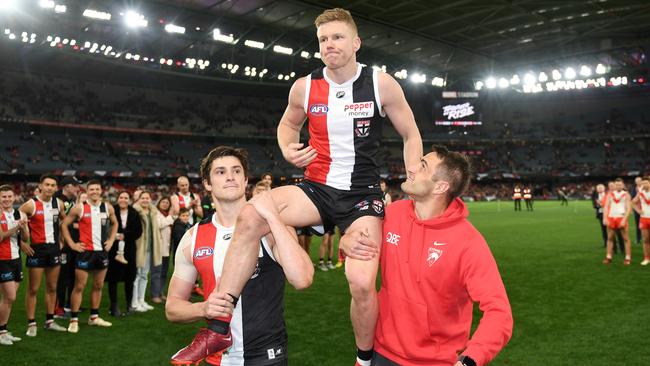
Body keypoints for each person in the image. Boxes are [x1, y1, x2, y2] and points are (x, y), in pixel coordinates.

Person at [177, 8, 423, 365]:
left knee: (361, 282)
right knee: (251, 214)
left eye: (337, 37)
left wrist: (413, 172)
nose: (329, 45)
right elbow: (287, 126)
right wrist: (288, 148)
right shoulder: (305, 87)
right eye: (323, 39)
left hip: (361, 196)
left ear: (356, 43)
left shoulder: (380, 83)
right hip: (315, 188)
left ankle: (364, 359)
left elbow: (410, 132)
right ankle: (218, 328)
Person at [341, 146, 513, 366]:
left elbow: (499, 312)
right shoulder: (391, 215)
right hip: (381, 354)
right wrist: (347, 242)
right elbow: (358, 247)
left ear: (441, 186)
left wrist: (471, 360)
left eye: (422, 166)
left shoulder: (468, 243)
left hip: (436, 361)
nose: (411, 168)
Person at [168, 146, 313, 365]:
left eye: (236, 171)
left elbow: (302, 279)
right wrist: (203, 308)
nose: (230, 177)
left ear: (245, 180)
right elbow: (172, 307)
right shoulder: (193, 238)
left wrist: (273, 218)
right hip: (217, 359)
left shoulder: (271, 228)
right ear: (207, 183)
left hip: (266, 356)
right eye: (220, 172)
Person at [61, 180, 118, 333]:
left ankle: (94, 317)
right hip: (85, 252)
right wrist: (72, 244)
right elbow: (64, 224)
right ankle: (74, 319)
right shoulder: (79, 207)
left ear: (101, 190)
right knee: (79, 286)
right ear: (87, 191)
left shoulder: (108, 207)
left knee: (98, 286)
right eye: (91, 189)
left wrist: (112, 239)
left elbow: (115, 223)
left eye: (97, 189)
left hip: (101, 252)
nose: (94, 191)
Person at [19, 174, 68, 336]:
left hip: (54, 250)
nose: (49, 188)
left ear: (56, 188)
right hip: (37, 250)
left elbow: (64, 222)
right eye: (47, 184)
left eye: (53, 185)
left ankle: (49, 321)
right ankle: (31, 323)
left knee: (52, 287)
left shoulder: (59, 203)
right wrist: (22, 243)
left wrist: (62, 241)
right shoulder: (30, 205)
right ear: (40, 185)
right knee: (33, 289)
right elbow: (15, 221)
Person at [0, 185, 29, 345]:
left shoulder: (20, 214)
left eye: (9, 196)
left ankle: (3, 331)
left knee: (8, 299)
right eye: (3, 196)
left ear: (14, 197)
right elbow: (1, 236)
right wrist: (17, 226)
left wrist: (24, 227)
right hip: (2, 259)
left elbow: (25, 238)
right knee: (10, 296)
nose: (7, 199)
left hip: (16, 259)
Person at [106, 191, 142, 317]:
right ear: (117, 199)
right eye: (121, 197)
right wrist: (113, 236)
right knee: (113, 278)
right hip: (113, 248)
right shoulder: (112, 211)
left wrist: (124, 235)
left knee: (129, 278)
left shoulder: (134, 213)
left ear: (129, 200)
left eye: (126, 198)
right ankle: (114, 306)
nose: (123, 200)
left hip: (129, 249)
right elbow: (105, 227)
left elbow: (138, 231)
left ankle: (129, 305)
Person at [53, 176, 80, 319]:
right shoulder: (56, 199)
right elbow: (57, 222)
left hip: (73, 243)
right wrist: (74, 225)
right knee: (61, 277)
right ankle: (58, 308)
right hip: (61, 245)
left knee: (72, 275)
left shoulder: (71, 200)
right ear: (68, 186)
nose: (78, 188)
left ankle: (70, 304)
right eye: (76, 186)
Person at [132, 191, 163, 312]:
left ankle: (141, 300)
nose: (145, 200)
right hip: (139, 247)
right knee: (136, 276)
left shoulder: (152, 212)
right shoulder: (135, 211)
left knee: (144, 275)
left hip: (150, 247)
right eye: (143, 198)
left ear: (150, 199)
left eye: (147, 198)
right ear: (139, 199)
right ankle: (134, 302)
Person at [602, 178, 632, 265]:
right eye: (617, 185)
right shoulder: (610, 194)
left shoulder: (626, 194)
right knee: (610, 238)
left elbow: (628, 208)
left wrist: (624, 219)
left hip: (621, 217)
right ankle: (608, 257)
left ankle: (628, 257)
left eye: (620, 185)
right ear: (614, 185)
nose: (618, 186)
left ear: (623, 185)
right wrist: (605, 218)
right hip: (611, 218)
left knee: (626, 239)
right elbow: (606, 207)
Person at [153, 196, 175, 304]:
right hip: (159, 247)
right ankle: (155, 294)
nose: (165, 204)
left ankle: (161, 293)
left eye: (167, 203)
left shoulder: (168, 216)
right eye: (163, 202)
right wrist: (170, 216)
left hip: (167, 247)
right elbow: (159, 225)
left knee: (164, 273)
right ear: (159, 203)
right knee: (157, 272)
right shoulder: (156, 213)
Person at [632, 176, 650, 265]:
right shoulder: (640, 192)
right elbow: (633, 202)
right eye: (643, 183)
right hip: (644, 219)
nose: (644, 185)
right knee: (646, 239)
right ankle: (646, 258)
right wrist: (638, 210)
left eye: (646, 183)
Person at [632, 176, 643, 244]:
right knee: (638, 224)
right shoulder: (634, 189)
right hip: (637, 209)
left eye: (639, 181)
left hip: (645, 209)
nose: (638, 182)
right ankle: (638, 238)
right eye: (636, 181)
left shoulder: (646, 188)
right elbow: (632, 199)